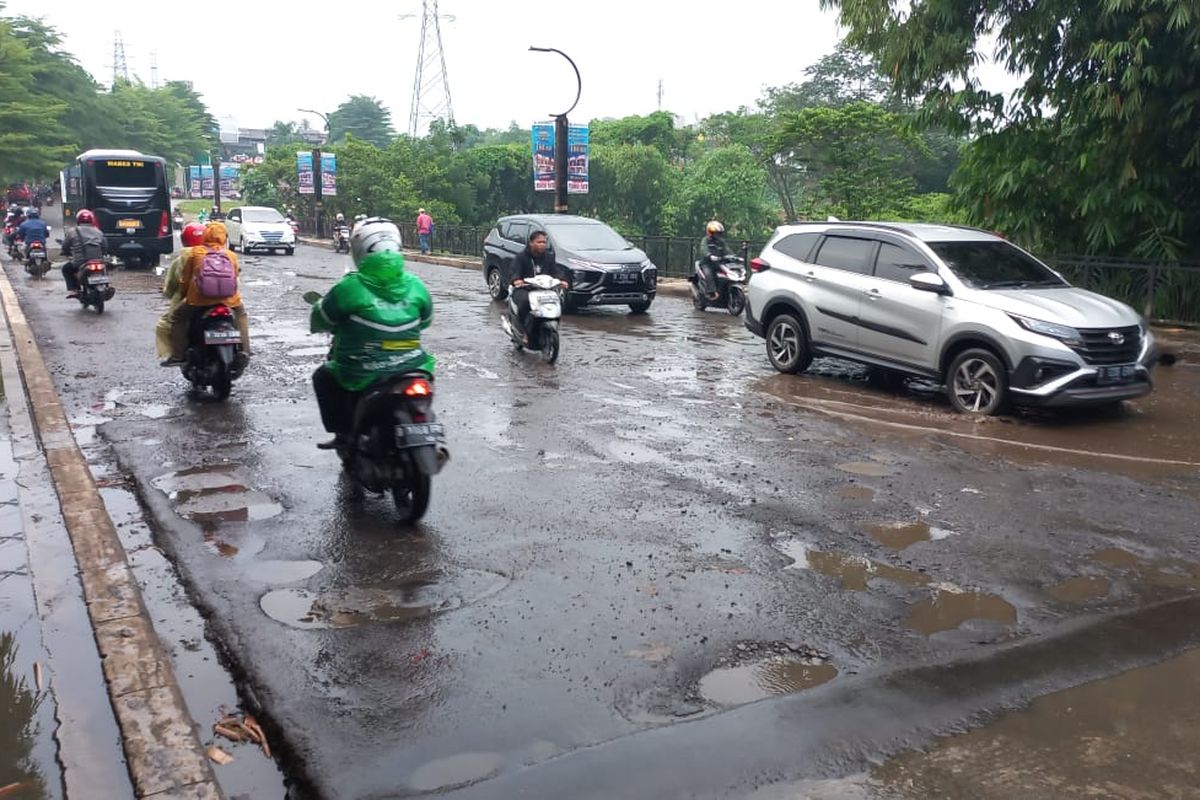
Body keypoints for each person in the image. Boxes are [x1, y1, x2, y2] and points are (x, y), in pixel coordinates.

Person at [309, 217, 434, 449]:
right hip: (413, 367)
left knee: (323, 377)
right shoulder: (417, 285)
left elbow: (322, 318)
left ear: (359, 250)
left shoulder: (349, 287)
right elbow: (425, 321)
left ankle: (343, 435)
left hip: (361, 371)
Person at [161, 222, 250, 367]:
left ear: (206, 235)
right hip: (229, 301)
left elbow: (185, 279)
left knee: (177, 317)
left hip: (198, 300)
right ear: (224, 237)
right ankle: (245, 350)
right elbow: (235, 277)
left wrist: (184, 296)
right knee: (241, 316)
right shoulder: (231, 255)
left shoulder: (196, 253)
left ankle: (178, 355)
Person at [155, 222, 205, 357]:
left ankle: (176, 355)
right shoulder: (218, 253)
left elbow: (172, 285)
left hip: (190, 301)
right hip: (222, 299)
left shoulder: (182, 259)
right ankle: (244, 349)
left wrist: (167, 293)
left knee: (168, 322)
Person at [510, 229, 565, 343]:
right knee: (525, 303)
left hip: (544, 289)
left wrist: (562, 280)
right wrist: (517, 280)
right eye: (539, 242)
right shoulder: (521, 257)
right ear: (531, 243)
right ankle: (523, 330)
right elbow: (515, 271)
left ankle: (550, 327)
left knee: (559, 300)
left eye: (544, 242)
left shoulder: (548, 257)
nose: (542, 245)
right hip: (524, 289)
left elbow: (555, 271)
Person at [60, 209, 106, 298]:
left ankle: (75, 289)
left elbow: (65, 246)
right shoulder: (99, 232)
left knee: (66, 269)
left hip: (81, 262)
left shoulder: (72, 232)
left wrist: (64, 252)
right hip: (99, 261)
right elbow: (105, 247)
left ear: (78, 220)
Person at [700, 219, 728, 300]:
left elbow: (727, 250)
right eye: (715, 233)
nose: (717, 235)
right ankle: (711, 292)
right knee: (709, 274)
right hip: (706, 263)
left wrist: (733, 256)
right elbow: (703, 249)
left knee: (727, 272)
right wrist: (709, 255)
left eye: (718, 233)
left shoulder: (721, 242)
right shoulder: (705, 240)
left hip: (718, 263)